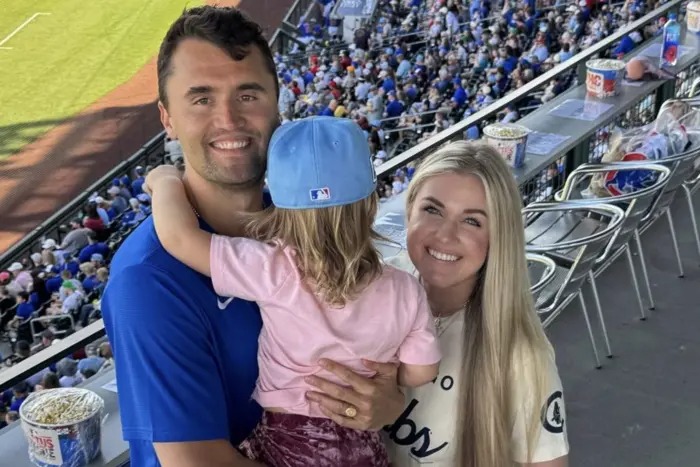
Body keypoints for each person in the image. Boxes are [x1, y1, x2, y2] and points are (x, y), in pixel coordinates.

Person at [101, 7, 405, 467]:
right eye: (201, 99)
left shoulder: (309, 225)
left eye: (247, 95)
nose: (229, 119)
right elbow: (196, 462)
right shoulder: (149, 279)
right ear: (168, 118)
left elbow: (378, 358)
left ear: (276, 105)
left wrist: (387, 403)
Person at [145, 117, 441, 466]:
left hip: (289, 441)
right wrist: (388, 376)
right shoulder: (406, 288)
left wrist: (164, 180)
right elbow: (423, 372)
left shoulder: (272, 267)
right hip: (363, 445)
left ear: (281, 209)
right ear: (371, 204)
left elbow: (179, 237)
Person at [381, 142, 570, 466]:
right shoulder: (371, 290)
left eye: (472, 221)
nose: (445, 235)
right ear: (409, 211)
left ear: (498, 236)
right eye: (432, 210)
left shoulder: (521, 355)